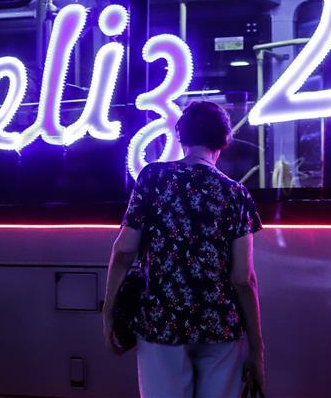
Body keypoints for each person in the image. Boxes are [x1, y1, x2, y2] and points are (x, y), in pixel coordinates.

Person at [103, 101, 265, 398]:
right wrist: (257, 349)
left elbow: (124, 251)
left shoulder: (154, 178)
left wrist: (109, 309)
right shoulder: (235, 194)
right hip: (220, 329)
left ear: (182, 137)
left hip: (162, 324)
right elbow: (244, 279)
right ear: (224, 140)